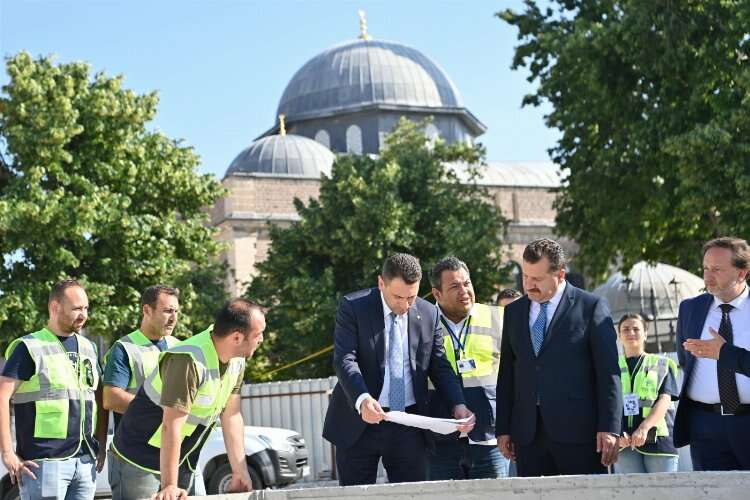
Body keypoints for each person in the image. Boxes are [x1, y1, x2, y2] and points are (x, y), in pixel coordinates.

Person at [322, 253, 475, 486]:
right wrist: (363, 399)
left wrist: (458, 403)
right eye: (398, 297)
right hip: (360, 423)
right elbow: (345, 359)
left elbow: (439, 365)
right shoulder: (354, 307)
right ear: (381, 283)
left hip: (409, 426)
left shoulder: (429, 313)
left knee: (411, 493)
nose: (405, 305)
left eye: (411, 297)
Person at [110, 298, 264, 500]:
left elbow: (232, 415)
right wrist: (170, 485)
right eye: (258, 334)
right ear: (236, 337)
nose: (261, 339)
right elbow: (172, 425)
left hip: (184, 460)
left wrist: (240, 471)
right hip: (139, 461)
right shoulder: (188, 359)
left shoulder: (237, 360)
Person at [496, 238, 622, 476]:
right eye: (525, 276)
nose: (529, 285)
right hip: (528, 436)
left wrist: (610, 427)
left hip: (579, 434)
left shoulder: (591, 307)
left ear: (561, 274)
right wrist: (503, 428)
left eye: (537, 279)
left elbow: (608, 373)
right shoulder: (514, 312)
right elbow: (508, 374)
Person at [0, 279, 108, 500]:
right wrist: (8, 453)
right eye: (77, 308)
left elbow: (99, 397)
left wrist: (101, 443)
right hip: (44, 463)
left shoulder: (89, 348)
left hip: (85, 461)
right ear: (55, 307)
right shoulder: (30, 347)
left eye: (86, 308)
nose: (84, 315)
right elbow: (2, 396)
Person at [426, 257, 508, 480]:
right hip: (439, 441)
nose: (464, 291)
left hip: (489, 439)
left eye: (467, 283)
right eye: (454, 286)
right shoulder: (422, 323)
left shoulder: (498, 318)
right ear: (437, 294)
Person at [674, 237, 750, 470]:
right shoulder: (690, 308)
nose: (708, 276)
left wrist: (724, 353)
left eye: (717, 269)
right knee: (710, 488)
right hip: (705, 426)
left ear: (742, 273)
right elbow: (685, 360)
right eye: (705, 268)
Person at [103, 285, 181, 430]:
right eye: (167, 311)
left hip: (170, 439)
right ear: (146, 310)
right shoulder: (124, 348)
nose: (173, 318)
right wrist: (161, 410)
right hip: (134, 441)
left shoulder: (179, 347)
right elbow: (111, 399)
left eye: (176, 311)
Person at [614, 314, 679, 473]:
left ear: (645, 334)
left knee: (664, 488)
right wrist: (616, 433)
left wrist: (644, 428)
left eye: (636, 329)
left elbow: (664, 400)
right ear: (619, 336)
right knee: (634, 488)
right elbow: (607, 403)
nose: (631, 332)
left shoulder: (661, 364)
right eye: (625, 329)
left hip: (657, 440)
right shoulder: (611, 367)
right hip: (624, 443)